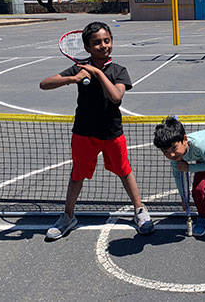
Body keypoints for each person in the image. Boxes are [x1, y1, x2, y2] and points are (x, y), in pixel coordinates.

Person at [40, 21, 153, 240]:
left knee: (124, 171)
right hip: (84, 133)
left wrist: (96, 73)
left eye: (106, 40)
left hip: (112, 132)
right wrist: (72, 78)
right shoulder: (78, 69)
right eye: (97, 43)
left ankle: (139, 210)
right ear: (87, 48)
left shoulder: (119, 71)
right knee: (77, 175)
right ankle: (68, 216)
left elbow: (116, 97)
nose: (103, 45)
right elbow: (44, 84)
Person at [153, 116, 205, 246]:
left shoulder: (199, 144)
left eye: (174, 148)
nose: (171, 155)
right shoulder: (175, 156)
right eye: (166, 152)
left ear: (185, 140)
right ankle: (203, 217)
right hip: (204, 158)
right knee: (197, 190)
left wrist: (189, 167)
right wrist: (183, 197)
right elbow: (177, 174)